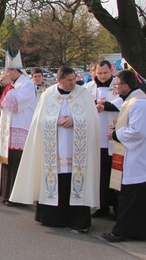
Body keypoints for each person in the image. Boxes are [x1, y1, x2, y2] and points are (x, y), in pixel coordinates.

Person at [10, 66, 100, 232]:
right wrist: (55, 122)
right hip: (53, 150)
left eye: (74, 79)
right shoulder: (47, 95)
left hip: (77, 150)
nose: (73, 83)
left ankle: (78, 220)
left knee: (75, 180)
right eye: (69, 80)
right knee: (55, 179)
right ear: (59, 80)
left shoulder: (84, 94)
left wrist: (75, 121)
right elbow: (38, 122)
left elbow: (93, 121)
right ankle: (52, 218)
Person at [101, 70, 146, 242]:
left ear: (126, 86)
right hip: (138, 155)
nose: (115, 88)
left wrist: (115, 135)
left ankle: (125, 231)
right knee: (143, 194)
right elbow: (117, 105)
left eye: (117, 85)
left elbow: (137, 131)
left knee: (130, 195)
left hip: (138, 156)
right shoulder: (132, 99)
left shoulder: (140, 104)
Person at [0, 52, 36, 204]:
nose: (6, 75)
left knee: (16, 163)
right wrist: (1, 87)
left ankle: (17, 196)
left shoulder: (27, 84)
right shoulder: (15, 84)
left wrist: (8, 85)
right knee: (7, 162)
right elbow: (1, 103)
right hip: (7, 128)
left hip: (19, 128)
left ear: (15, 71)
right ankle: (6, 194)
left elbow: (16, 105)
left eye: (8, 72)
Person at [85, 60, 119, 219]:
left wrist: (106, 106)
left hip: (114, 137)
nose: (103, 76)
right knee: (100, 174)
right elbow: (81, 105)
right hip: (96, 138)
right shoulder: (89, 88)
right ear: (95, 73)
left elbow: (125, 104)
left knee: (116, 173)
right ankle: (102, 206)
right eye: (99, 73)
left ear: (111, 71)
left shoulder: (118, 86)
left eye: (105, 73)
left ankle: (118, 207)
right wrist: (94, 104)